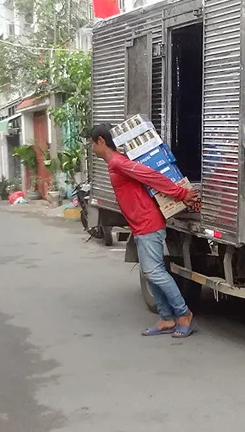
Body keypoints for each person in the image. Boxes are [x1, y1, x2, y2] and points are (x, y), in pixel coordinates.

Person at [87, 124, 201, 338]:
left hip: (148, 223)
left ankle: (184, 314)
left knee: (154, 272)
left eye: (92, 144)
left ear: (100, 141)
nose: (92, 148)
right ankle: (167, 318)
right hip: (140, 225)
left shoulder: (119, 163)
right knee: (150, 273)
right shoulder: (115, 164)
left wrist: (180, 194)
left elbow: (150, 175)